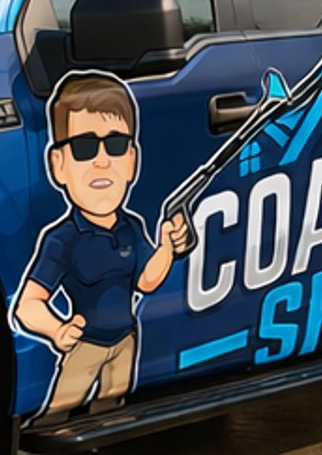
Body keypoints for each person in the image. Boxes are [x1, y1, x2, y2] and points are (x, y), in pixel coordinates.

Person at [15, 72, 192, 423]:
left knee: (112, 411)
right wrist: (57, 330)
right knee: (56, 413)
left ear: (131, 161)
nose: (101, 160)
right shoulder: (63, 238)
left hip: (125, 341)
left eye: (114, 145)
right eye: (84, 147)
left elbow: (145, 281)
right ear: (58, 165)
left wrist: (168, 248)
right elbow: (27, 304)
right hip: (86, 346)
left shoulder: (131, 227)